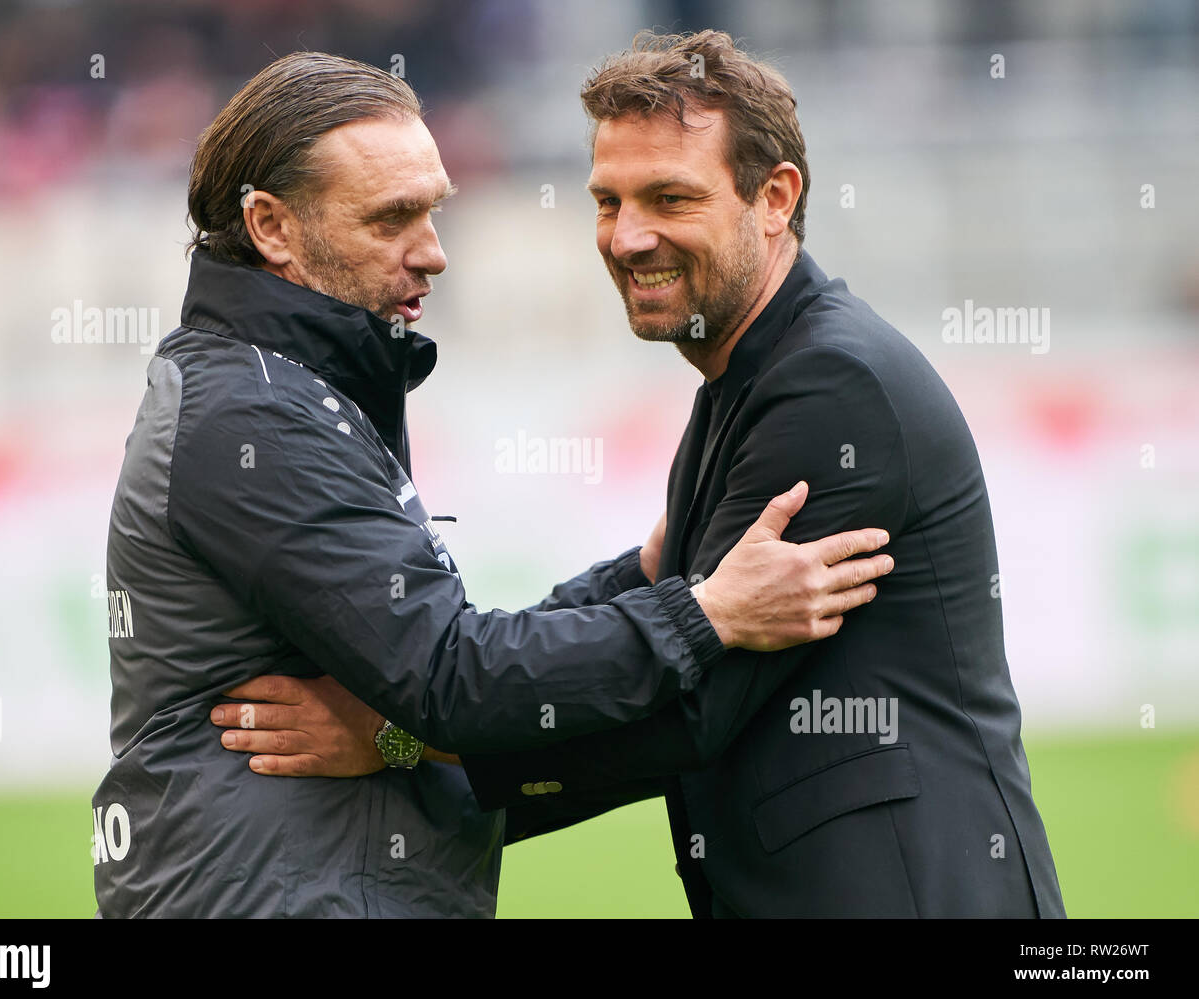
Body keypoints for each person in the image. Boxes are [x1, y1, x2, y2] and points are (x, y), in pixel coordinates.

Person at [216, 32, 1066, 918]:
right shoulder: (752, 375)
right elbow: (669, 609)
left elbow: (688, 710)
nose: (627, 237)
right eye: (607, 201)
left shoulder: (830, 386)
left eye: (670, 197)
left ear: (774, 199)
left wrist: (400, 736)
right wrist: (442, 695)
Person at [92, 50, 892, 918]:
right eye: (392, 218)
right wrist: (703, 616)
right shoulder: (252, 416)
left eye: (432, 212)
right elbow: (449, 679)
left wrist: (637, 582)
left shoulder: (284, 390)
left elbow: (439, 662)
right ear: (272, 227)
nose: (433, 253)